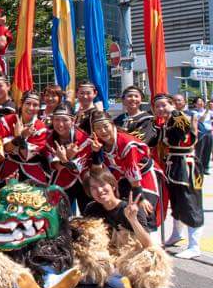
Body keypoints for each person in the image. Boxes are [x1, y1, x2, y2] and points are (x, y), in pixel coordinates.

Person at [81, 169, 172, 288]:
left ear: (112, 185)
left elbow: (148, 244)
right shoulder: (91, 209)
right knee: (84, 257)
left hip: (128, 255)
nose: (99, 190)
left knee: (152, 259)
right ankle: (113, 278)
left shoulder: (130, 208)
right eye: (94, 188)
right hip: (105, 255)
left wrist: (133, 220)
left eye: (102, 185)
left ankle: (107, 276)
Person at [150, 94, 204, 259]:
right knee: (177, 201)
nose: (160, 109)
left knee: (189, 203)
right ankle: (177, 234)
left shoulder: (178, 117)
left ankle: (195, 245)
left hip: (185, 164)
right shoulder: (169, 119)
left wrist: (162, 137)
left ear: (171, 104)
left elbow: (177, 137)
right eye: (157, 106)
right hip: (174, 163)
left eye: (163, 105)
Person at [88, 110, 161, 231]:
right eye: (98, 128)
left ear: (112, 125)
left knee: (144, 211)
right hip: (122, 178)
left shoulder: (126, 143)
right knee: (117, 209)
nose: (103, 131)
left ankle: (151, 243)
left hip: (143, 177)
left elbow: (133, 171)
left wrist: (140, 197)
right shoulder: (98, 143)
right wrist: (96, 153)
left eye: (106, 126)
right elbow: (97, 173)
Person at [44, 103, 91, 213]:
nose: (60, 124)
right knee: (61, 218)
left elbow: (77, 169)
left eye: (65, 120)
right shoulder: (48, 138)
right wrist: (68, 158)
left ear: (73, 120)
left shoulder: (83, 139)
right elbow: (54, 166)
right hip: (60, 182)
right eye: (57, 120)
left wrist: (64, 159)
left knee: (89, 217)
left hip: (84, 182)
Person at [0, 91, 49, 186]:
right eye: (28, 103)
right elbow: (5, 149)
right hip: (8, 167)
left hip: (33, 169)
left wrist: (19, 138)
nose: (31, 108)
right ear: (21, 104)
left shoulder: (41, 127)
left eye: (35, 105)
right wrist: (20, 138)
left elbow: (26, 156)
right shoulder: (7, 120)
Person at [192, 96, 212, 176]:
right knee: (199, 152)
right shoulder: (194, 112)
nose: (201, 103)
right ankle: (198, 168)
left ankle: (206, 167)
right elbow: (201, 120)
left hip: (209, 133)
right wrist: (207, 111)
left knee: (208, 151)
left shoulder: (209, 112)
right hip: (201, 134)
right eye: (198, 102)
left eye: (202, 101)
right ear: (195, 104)